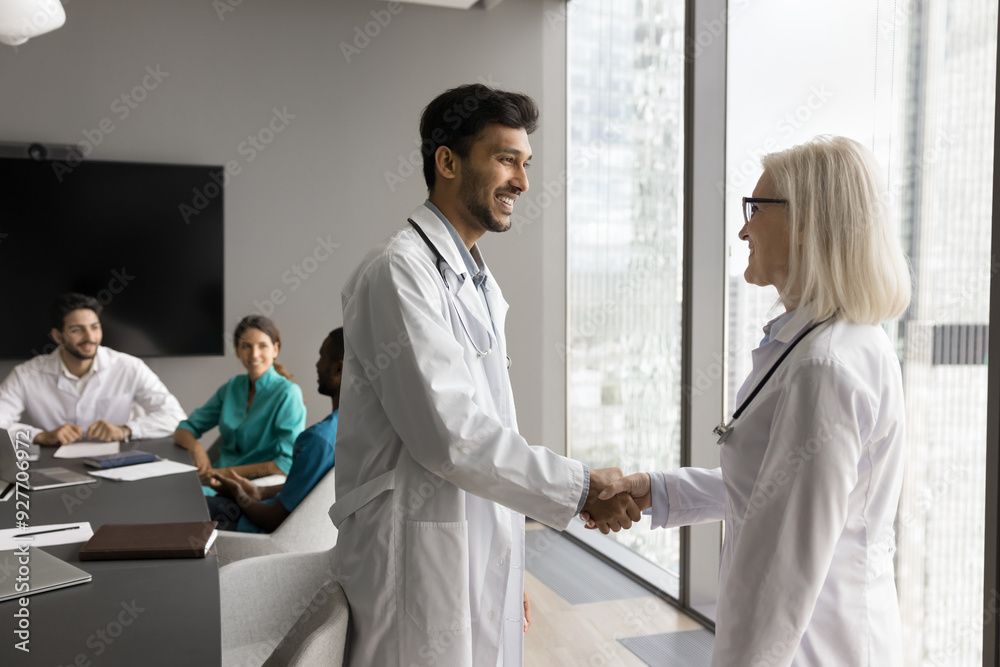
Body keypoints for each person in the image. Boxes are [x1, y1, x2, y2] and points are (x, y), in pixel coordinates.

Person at [332, 84, 639, 667]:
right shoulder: (400, 271)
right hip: (413, 561)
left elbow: (489, 435)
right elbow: (452, 435)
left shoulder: (474, 279)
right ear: (447, 161)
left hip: (470, 547)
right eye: (505, 159)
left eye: (525, 164)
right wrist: (581, 488)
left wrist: (504, 563)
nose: (522, 182)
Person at [593, 136, 912, 666]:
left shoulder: (824, 366)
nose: (743, 228)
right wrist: (656, 490)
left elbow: (783, 568)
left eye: (756, 209)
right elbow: (772, 491)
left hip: (816, 646)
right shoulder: (826, 344)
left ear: (808, 220)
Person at [0, 292, 187, 445]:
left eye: (95, 327)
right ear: (58, 336)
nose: (90, 337)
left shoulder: (129, 366)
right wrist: (40, 436)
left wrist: (125, 430)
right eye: (77, 330)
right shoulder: (27, 374)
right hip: (53, 467)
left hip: (118, 465)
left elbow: (175, 416)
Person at [207, 327, 342, 533]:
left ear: (338, 370)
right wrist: (258, 491)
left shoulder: (317, 439)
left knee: (187, 508)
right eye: (245, 346)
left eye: (321, 357)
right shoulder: (343, 430)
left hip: (258, 527)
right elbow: (305, 487)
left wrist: (238, 494)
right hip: (263, 506)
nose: (316, 364)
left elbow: (272, 519)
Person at [174, 314, 306, 489]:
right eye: (246, 346)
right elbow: (184, 429)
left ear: (275, 350)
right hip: (212, 481)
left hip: (250, 490)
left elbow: (285, 463)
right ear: (237, 350)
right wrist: (197, 450)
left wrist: (223, 474)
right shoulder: (232, 387)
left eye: (262, 346)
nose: (254, 354)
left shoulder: (288, 394)